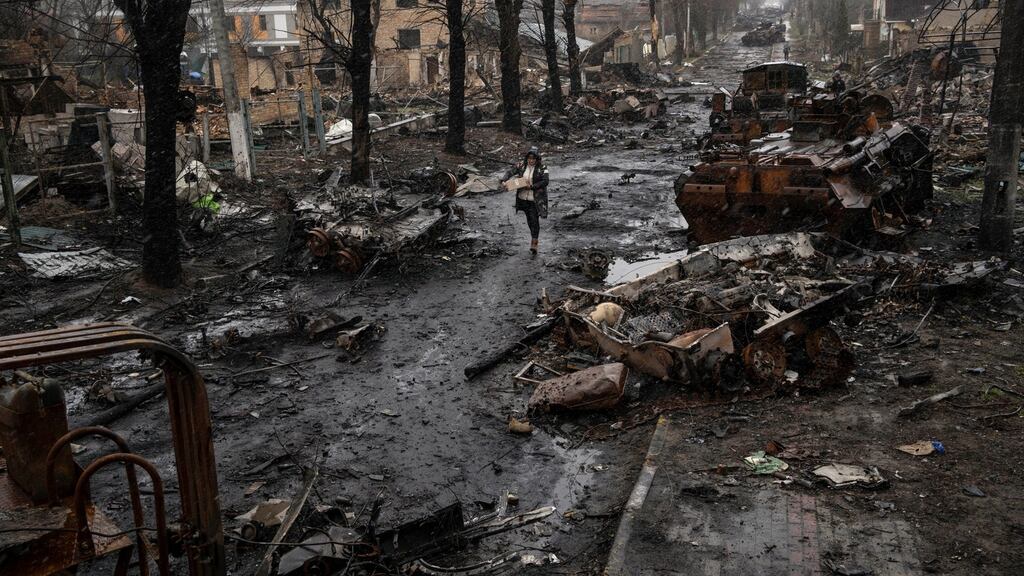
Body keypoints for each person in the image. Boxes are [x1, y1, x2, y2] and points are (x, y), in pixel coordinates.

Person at [503, 147, 549, 255]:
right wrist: (504, 180)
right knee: (529, 219)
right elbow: (510, 172)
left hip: (535, 199)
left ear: (537, 159)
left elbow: (545, 181)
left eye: (533, 158)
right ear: (527, 158)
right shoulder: (522, 166)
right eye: (529, 158)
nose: (531, 160)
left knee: (534, 219)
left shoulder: (542, 168)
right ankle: (533, 236)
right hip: (523, 198)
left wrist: (532, 186)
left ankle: (534, 241)